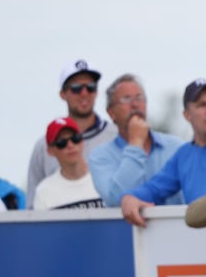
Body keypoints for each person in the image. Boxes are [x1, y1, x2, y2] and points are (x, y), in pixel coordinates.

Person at [119, 79, 206, 227]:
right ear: (187, 115)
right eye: (202, 105)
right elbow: (155, 188)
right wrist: (129, 198)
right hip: (201, 240)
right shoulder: (184, 155)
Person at [26, 59, 117, 207]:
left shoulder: (116, 136)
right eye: (76, 88)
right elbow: (32, 206)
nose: (84, 93)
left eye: (90, 87)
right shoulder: (43, 146)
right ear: (63, 94)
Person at [88, 74, 185, 207]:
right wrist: (136, 143)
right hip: (125, 228)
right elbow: (117, 200)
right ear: (111, 113)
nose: (135, 105)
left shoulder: (176, 147)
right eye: (126, 99)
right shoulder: (100, 156)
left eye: (139, 98)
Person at [32, 118, 104, 210]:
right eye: (61, 143)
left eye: (75, 138)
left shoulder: (105, 179)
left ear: (82, 142)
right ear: (50, 151)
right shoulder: (44, 192)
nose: (70, 145)